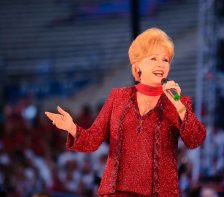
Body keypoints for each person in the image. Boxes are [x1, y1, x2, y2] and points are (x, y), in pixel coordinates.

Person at [45, 28, 206, 197]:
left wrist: (178, 105)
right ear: (138, 66)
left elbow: (195, 140)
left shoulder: (179, 102)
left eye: (165, 60)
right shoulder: (118, 97)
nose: (161, 64)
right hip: (117, 191)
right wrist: (71, 127)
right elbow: (92, 140)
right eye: (153, 58)